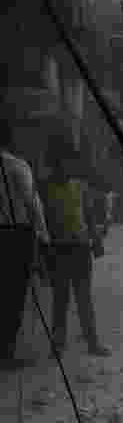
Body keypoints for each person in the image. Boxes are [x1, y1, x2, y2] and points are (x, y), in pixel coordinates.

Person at [41, 137, 111, 357]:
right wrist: (43, 251)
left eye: (68, 161)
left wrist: (96, 241)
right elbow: (42, 220)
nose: (66, 166)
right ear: (54, 163)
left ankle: (92, 342)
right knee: (60, 299)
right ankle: (58, 344)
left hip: (80, 247)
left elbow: (88, 215)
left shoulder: (79, 186)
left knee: (83, 298)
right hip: (58, 249)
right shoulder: (44, 188)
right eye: (62, 161)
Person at [0, 120, 51, 368]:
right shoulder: (17, 165)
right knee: (12, 297)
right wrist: (43, 237)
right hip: (13, 236)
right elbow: (33, 205)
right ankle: (6, 352)